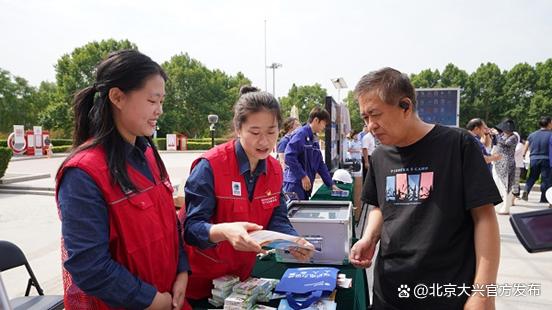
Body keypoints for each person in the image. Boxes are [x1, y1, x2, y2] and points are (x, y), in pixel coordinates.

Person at [348, 68, 501, 309]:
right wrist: (369, 237)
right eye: (365, 118)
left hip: (446, 293)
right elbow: (380, 206)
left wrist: (483, 293)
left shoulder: (458, 145)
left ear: (405, 106)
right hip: (389, 293)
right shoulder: (379, 157)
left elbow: (485, 219)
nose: (370, 126)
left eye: (375, 115)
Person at [56, 50, 190, 309]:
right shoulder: (82, 175)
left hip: (170, 297)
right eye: (153, 100)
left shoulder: (149, 153)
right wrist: (150, 300)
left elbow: (170, 222)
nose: (159, 110)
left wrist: (182, 271)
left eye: (162, 101)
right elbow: (90, 266)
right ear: (117, 97)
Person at [183, 86, 313, 301]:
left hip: (242, 281)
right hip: (201, 281)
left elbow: (276, 217)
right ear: (238, 128)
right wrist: (223, 231)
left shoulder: (274, 169)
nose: (264, 142)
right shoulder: (210, 166)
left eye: (271, 132)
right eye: (255, 132)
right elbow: (191, 228)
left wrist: (293, 240)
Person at [282, 107, 341, 200]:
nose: (324, 127)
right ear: (316, 120)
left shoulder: (314, 139)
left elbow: (320, 164)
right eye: (324, 123)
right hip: (295, 184)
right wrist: (302, 175)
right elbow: (289, 156)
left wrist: (331, 184)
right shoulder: (301, 134)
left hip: (304, 184)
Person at [522, 116, 552, 203]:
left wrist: (524, 155)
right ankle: (544, 198)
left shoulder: (532, 134)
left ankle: (526, 191)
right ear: (549, 124)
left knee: (532, 176)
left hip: (534, 158)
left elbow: (526, 146)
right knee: (546, 179)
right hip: (547, 159)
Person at [491, 119, 519, 215]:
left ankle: (506, 207)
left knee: (506, 185)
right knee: (499, 184)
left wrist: (497, 135)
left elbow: (505, 144)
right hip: (499, 162)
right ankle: (503, 205)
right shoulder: (502, 136)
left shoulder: (514, 137)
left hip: (507, 163)